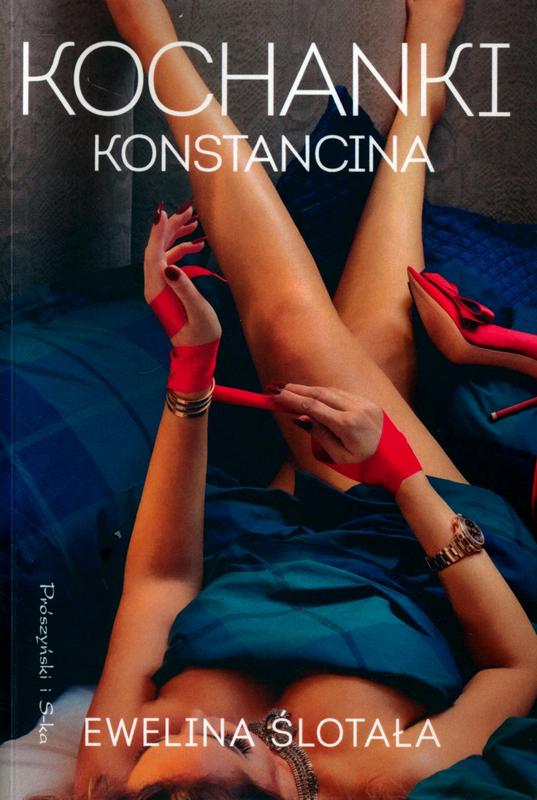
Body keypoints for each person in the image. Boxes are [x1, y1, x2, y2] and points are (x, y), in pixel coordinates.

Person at [68, 1, 537, 799]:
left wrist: (193, 365)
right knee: (301, 332)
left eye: (169, 733)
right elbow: (516, 665)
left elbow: (160, 585)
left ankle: (414, 106)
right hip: (428, 546)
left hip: (267, 536)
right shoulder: (385, 775)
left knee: (351, 342)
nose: (178, 726)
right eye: (232, 741)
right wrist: (396, 472)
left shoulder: (112, 774)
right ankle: (155, 39)